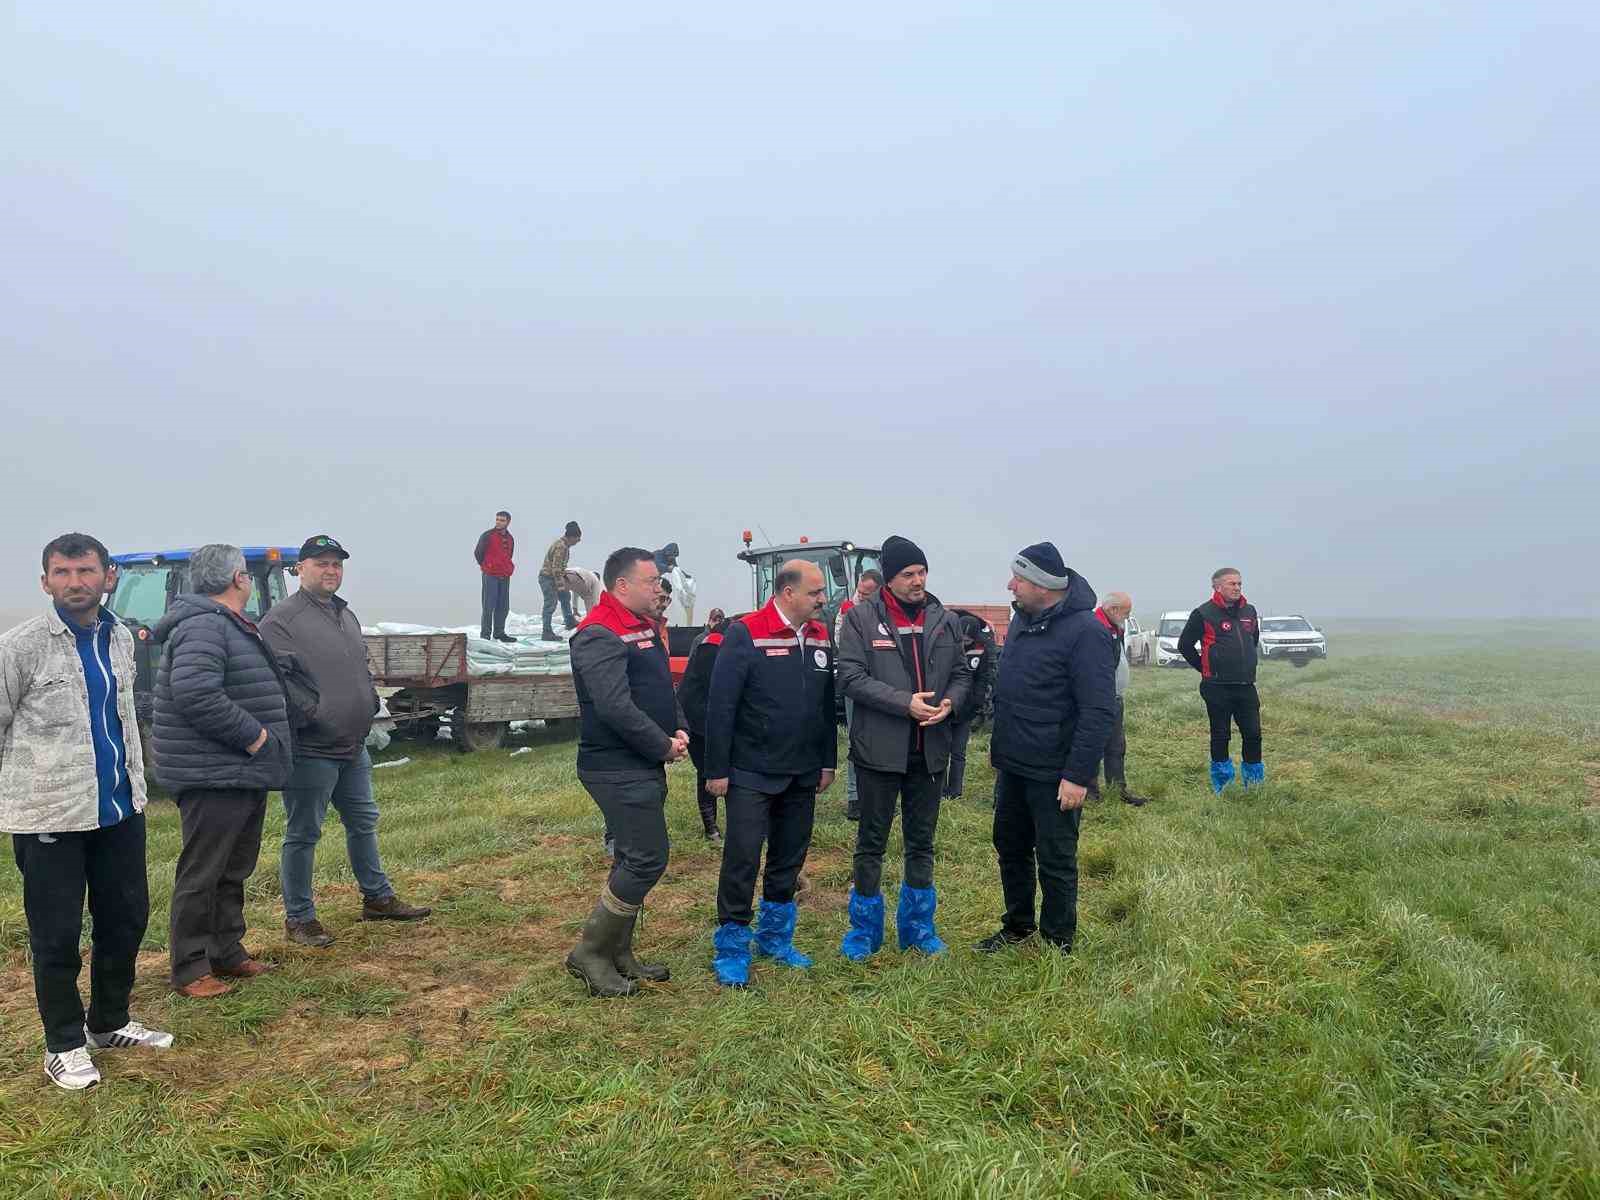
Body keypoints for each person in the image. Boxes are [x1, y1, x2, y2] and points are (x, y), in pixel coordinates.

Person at [0, 534, 171, 1090]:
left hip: (120, 807)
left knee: (126, 919)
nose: (75, 582)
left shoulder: (119, 637)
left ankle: (110, 1022)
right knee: (57, 934)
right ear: (45, 581)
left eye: (86, 570)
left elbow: (120, 717)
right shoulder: (19, 648)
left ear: (108, 577)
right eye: (62, 572)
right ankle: (65, 1044)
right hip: (50, 814)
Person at [260, 536, 431, 950]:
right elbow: (277, 681)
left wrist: (369, 701)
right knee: (303, 833)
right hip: (312, 749)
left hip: (353, 746)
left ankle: (377, 898)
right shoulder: (281, 620)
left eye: (337, 564)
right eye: (321, 563)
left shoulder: (345, 614)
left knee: (364, 822)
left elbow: (358, 666)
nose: (331, 570)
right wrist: (314, 714)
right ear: (300, 569)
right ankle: (299, 919)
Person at [154, 544, 294, 998]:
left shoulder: (225, 625)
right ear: (238, 579)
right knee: (204, 872)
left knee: (233, 868)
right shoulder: (204, 627)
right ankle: (191, 968)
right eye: (247, 575)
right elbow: (195, 692)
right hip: (214, 774)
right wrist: (255, 737)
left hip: (238, 772)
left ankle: (226, 951)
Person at [836, 537, 971, 960]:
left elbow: (964, 674)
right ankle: (864, 931)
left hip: (929, 752)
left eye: (922, 572)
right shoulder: (860, 619)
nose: (918, 581)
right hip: (880, 752)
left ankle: (918, 928)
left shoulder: (944, 619)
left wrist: (950, 702)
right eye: (908, 575)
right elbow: (850, 677)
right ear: (889, 580)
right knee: (871, 843)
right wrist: (903, 703)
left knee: (921, 843)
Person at [979, 543, 1117, 956]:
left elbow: (1097, 710)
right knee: (1010, 847)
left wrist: (1077, 775)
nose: (1011, 585)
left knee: (1056, 858)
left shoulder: (1085, 631)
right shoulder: (1023, 621)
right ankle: (1018, 925)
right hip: (1014, 766)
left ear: (1042, 585)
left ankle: (1058, 940)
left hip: (1055, 771)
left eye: (1018, 579)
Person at [565, 548, 690, 997]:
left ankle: (620, 952)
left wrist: (678, 725)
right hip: (615, 766)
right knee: (646, 858)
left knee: (631, 858)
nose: (659, 587)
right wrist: (661, 744)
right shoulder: (599, 634)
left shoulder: (643, 627)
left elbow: (658, 687)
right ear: (622, 585)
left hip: (641, 762)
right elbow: (615, 706)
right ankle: (591, 952)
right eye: (652, 580)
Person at [704, 562, 836, 987]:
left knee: (788, 857)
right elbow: (721, 705)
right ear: (787, 592)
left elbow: (824, 705)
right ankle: (731, 946)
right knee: (742, 858)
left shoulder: (818, 636)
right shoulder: (747, 633)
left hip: (802, 772)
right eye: (815, 592)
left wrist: (827, 760)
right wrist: (717, 769)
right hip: (751, 772)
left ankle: (776, 939)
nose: (823, 600)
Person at [1178, 568, 1263, 792]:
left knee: (1253, 734)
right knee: (1221, 734)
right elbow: (1184, 645)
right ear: (1217, 587)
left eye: (1239, 584)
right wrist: (1205, 668)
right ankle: (1222, 784)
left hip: (1246, 685)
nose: (1237, 588)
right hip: (1216, 687)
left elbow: (1252, 640)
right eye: (1231, 584)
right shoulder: (1203, 613)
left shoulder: (1250, 611)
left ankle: (1253, 783)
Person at [676, 610, 734, 842]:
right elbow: (720, 692)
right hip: (699, 719)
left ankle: (725, 827)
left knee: (721, 769)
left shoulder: (716, 643)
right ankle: (711, 828)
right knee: (708, 770)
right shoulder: (712, 649)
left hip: (708, 716)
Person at [1087, 592, 1150, 807]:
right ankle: (1090, 794)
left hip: (1114, 698)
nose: (1127, 617)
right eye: (1126, 612)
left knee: (1116, 746)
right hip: (1096, 700)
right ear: (1113, 610)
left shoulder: (1115, 628)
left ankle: (1118, 790)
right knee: (1092, 745)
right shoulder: (1094, 629)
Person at [836, 570, 882, 821]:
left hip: (881, 684)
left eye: (867, 595)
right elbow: (843, 644)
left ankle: (877, 796)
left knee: (882, 741)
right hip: (856, 684)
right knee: (857, 739)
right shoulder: (846, 611)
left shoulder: (885, 613)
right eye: (860, 593)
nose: (861, 598)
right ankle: (854, 797)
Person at [942, 609, 998, 800]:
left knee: (958, 753)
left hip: (966, 710)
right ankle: (940, 791)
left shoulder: (981, 650)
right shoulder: (947, 647)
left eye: (968, 638)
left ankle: (955, 792)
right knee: (942, 752)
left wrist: (977, 702)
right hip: (945, 707)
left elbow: (982, 678)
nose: (965, 641)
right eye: (962, 637)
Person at [474, 511, 516, 644]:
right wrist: (487, 565)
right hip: (490, 575)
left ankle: (499, 633)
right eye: (497, 519)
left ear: (508, 522)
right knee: (488, 605)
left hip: (504, 575)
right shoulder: (487, 535)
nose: (498, 522)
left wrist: (507, 567)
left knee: (503, 606)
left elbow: (510, 554)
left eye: (502, 520)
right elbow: (478, 553)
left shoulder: (510, 538)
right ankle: (485, 634)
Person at [539, 522, 583, 641]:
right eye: (577, 539)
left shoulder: (565, 546)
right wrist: (560, 585)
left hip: (555, 576)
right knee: (550, 603)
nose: (578, 541)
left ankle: (569, 621)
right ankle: (546, 632)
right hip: (548, 578)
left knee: (565, 597)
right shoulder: (561, 547)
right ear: (572, 537)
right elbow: (556, 568)